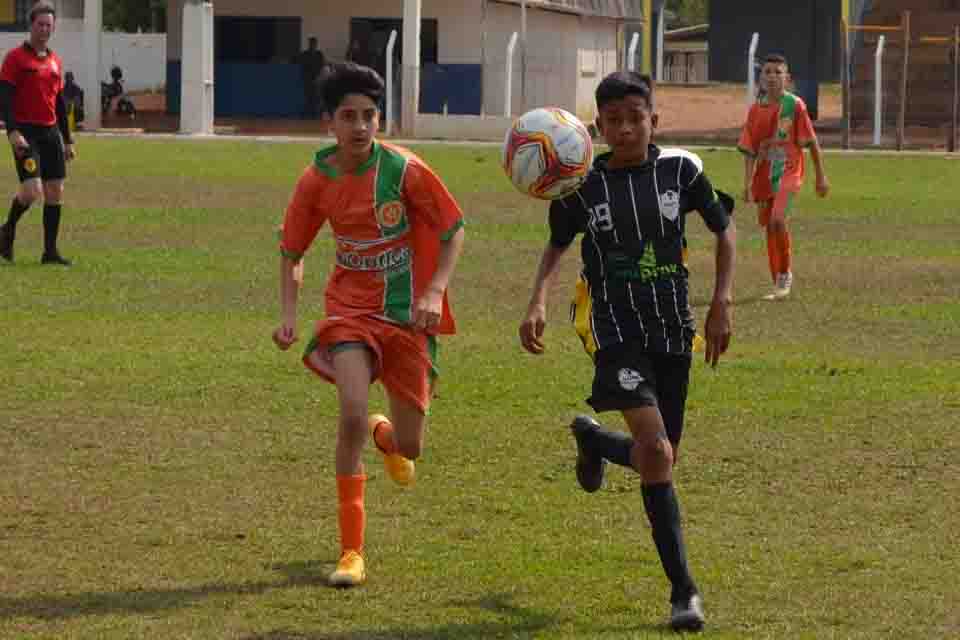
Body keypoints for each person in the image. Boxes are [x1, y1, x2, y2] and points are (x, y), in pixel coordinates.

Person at [518, 71, 736, 632]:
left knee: (658, 457)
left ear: (653, 121)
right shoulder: (580, 185)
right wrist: (538, 300)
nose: (625, 129)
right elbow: (556, 245)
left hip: (672, 329)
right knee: (657, 453)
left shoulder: (681, 171)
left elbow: (724, 230)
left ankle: (594, 441)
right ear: (598, 128)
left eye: (635, 118)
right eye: (613, 121)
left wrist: (721, 301)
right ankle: (684, 592)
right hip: (613, 329)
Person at [272, 62, 466, 588]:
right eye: (348, 116)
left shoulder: (404, 170)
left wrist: (434, 290)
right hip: (349, 312)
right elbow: (292, 252)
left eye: (369, 115)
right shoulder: (316, 181)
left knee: (411, 447)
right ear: (329, 123)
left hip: (406, 316)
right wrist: (288, 317)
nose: (360, 126)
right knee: (351, 415)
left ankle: (388, 436)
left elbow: (453, 228)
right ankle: (351, 552)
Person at [738, 53, 829, 300]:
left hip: (789, 170)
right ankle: (777, 281)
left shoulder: (795, 106)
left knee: (778, 219)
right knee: (770, 226)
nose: (772, 77)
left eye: (778, 72)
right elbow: (750, 150)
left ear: (787, 78)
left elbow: (811, 142)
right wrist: (747, 184)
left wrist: (820, 176)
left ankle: (785, 273)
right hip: (765, 176)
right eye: (767, 72)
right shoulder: (755, 111)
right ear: (761, 78)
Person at [0, 0, 77, 265]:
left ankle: (50, 252)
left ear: (53, 28)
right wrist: (12, 131)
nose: (44, 29)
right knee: (32, 191)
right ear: (31, 25)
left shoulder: (55, 61)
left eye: (48, 25)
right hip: (26, 133)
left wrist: (67, 140)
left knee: (55, 191)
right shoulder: (15, 58)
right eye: (40, 24)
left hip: (50, 132)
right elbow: (4, 99)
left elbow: (59, 103)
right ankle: (7, 228)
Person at [294, 37, 327, 118]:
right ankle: (308, 115)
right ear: (309, 44)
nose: (313, 45)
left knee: (316, 98)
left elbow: (322, 66)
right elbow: (300, 64)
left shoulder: (319, 54)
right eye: (311, 43)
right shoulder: (304, 54)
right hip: (307, 79)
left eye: (314, 44)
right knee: (308, 98)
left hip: (317, 79)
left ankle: (316, 115)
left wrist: (319, 77)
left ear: (316, 44)